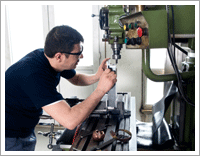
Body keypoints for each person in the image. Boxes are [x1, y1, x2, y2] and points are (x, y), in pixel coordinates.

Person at [5, 25, 117, 151]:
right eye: (78, 53)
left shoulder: (48, 58)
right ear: (59, 56)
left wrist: (98, 76)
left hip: (25, 129)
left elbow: (76, 78)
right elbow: (70, 121)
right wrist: (100, 90)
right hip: (8, 136)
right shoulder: (33, 75)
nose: (81, 56)